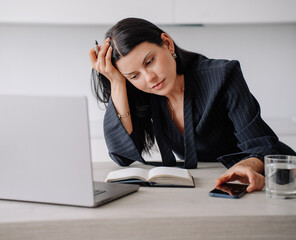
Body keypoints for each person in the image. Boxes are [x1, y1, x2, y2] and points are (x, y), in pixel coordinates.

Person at [88, 17, 295, 193]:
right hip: (204, 184)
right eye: (134, 75)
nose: (149, 78)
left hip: (271, 173)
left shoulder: (222, 75)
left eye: (150, 61)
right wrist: (116, 82)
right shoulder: (143, 93)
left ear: (167, 43)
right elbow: (121, 156)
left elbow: (263, 144)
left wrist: (243, 168)